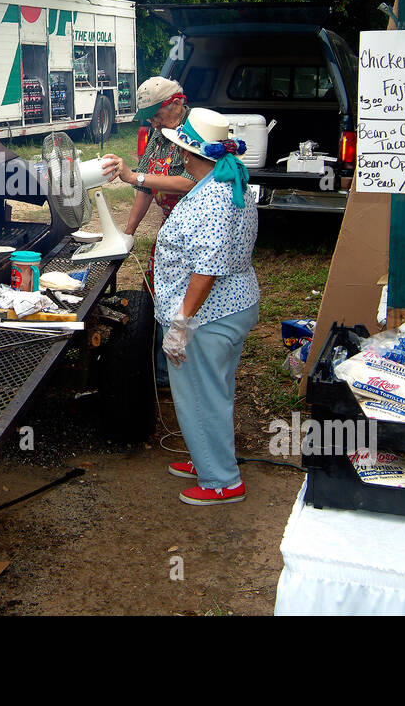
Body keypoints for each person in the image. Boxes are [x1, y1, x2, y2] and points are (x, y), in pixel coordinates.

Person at [152, 107, 259, 505]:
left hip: (208, 316)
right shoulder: (228, 181)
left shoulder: (213, 195)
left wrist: (181, 323)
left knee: (200, 394)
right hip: (233, 305)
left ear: (187, 154)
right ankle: (207, 458)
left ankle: (222, 481)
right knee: (216, 390)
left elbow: (207, 269)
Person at [101, 77, 195, 386]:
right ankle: (157, 365)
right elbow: (145, 184)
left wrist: (136, 177)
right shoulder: (159, 133)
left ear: (177, 104)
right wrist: (126, 233)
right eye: (150, 117)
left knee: (186, 299)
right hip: (171, 226)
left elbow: (189, 182)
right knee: (154, 291)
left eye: (157, 115)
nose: (154, 122)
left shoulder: (194, 130)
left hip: (197, 227)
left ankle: (175, 372)